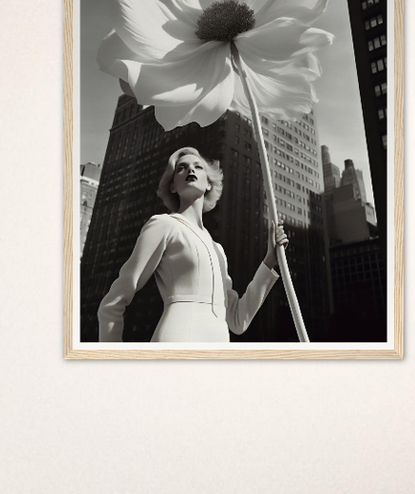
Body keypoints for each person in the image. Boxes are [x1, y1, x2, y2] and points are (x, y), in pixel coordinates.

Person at [96, 146, 287, 345]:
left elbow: (238, 321)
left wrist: (269, 261)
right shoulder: (164, 225)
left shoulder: (218, 249)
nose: (190, 170)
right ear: (172, 186)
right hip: (177, 341)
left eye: (198, 167)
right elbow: (112, 305)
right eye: (181, 168)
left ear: (209, 184)